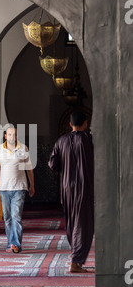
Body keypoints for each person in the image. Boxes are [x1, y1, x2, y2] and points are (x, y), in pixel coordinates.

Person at [48, 110, 94, 273]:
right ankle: (75, 261)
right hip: (84, 187)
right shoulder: (89, 140)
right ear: (85, 123)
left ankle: (76, 258)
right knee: (84, 224)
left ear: (70, 124)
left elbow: (53, 165)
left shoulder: (61, 141)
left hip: (67, 188)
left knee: (72, 222)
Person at [0, 126, 35, 253]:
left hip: (20, 188)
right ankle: (10, 244)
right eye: (10, 134)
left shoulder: (23, 148)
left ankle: (16, 244)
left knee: (16, 216)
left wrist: (32, 185)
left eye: (15, 135)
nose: (13, 137)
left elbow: (29, 168)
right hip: (4, 189)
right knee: (7, 218)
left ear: (17, 136)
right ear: (6, 136)